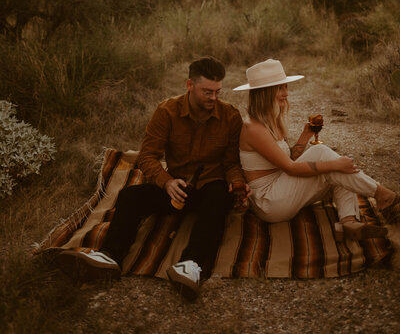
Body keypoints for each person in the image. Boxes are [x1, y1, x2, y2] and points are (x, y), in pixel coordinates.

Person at [59, 56, 250, 301]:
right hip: (175, 187)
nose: (213, 98)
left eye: (217, 92)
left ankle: (190, 266)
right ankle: (109, 256)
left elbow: (232, 163)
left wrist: (237, 183)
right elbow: (147, 156)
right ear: (189, 85)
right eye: (207, 92)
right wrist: (167, 182)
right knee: (130, 195)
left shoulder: (230, 116)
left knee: (219, 197)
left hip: (210, 187)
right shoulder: (167, 111)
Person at [233, 58, 400, 240]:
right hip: (268, 202)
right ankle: (384, 196)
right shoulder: (253, 128)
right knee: (326, 158)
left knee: (339, 172)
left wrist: (305, 136)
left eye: (285, 87)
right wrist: (334, 165)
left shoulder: (272, 121)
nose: (286, 93)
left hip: (282, 190)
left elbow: (290, 159)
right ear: (265, 93)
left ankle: (349, 222)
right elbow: (290, 168)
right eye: (280, 88)